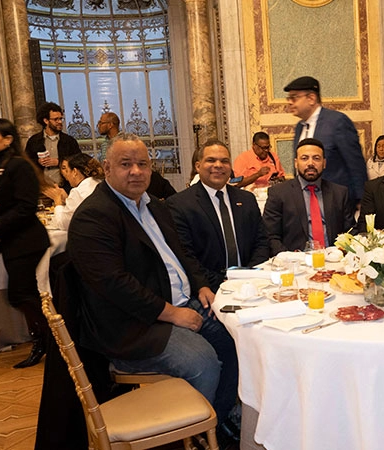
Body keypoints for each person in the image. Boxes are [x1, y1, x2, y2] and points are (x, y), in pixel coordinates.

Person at [67, 133, 239, 443]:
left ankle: (218, 421)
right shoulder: (94, 216)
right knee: (203, 362)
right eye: (126, 164)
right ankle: (197, 435)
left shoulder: (155, 207)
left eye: (143, 164)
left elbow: (182, 254)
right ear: (106, 168)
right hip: (134, 326)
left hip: (181, 303)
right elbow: (114, 285)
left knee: (236, 342)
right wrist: (172, 313)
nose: (136, 171)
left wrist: (201, 285)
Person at [0, 118, 51, 368]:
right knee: (22, 294)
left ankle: (49, 339)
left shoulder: (19, 165)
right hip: (12, 241)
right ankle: (46, 339)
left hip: (27, 240)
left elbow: (26, 206)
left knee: (21, 294)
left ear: (7, 139)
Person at [168, 139, 270, 290]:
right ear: (198, 166)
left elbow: (261, 241)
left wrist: (249, 276)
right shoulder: (180, 204)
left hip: (251, 284)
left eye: (224, 161)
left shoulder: (246, 199)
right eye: (211, 160)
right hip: (208, 288)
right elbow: (186, 256)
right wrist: (223, 282)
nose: (218, 165)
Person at [263, 138, 355, 255]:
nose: (310, 163)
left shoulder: (339, 193)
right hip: (294, 261)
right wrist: (288, 258)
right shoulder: (279, 193)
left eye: (316, 158)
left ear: (324, 163)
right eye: (304, 158)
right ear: (296, 163)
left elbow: (351, 231)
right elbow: (270, 236)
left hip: (334, 259)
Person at [286, 76, 367, 205]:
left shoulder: (337, 122)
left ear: (311, 98)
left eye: (294, 97)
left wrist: (362, 200)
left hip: (335, 201)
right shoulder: (299, 128)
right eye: (289, 98)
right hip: (306, 201)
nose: (290, 102)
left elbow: (355, 164)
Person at [96, 110, 176, 199]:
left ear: (110, 125)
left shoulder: (126, 142)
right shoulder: (105, 144)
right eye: (126, 164)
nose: (99, 126)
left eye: (101, 123)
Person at [25, 102, 82, 191]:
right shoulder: (34, 141)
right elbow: (26, 163)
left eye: (61, 119)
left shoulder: (69, 141)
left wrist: (59, 162)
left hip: (65, 188)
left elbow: (80, 162)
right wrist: (38, 162)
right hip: (41, 190)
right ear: (46, 121)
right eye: (56, 119)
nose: (60, 122)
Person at [48, 153, 104, 231]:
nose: (67, 177)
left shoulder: (78, 191)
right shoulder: (99, 182)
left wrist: (57, 201)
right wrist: (67, 199)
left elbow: (64, 224)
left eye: (67, 171)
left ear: (74, 171)